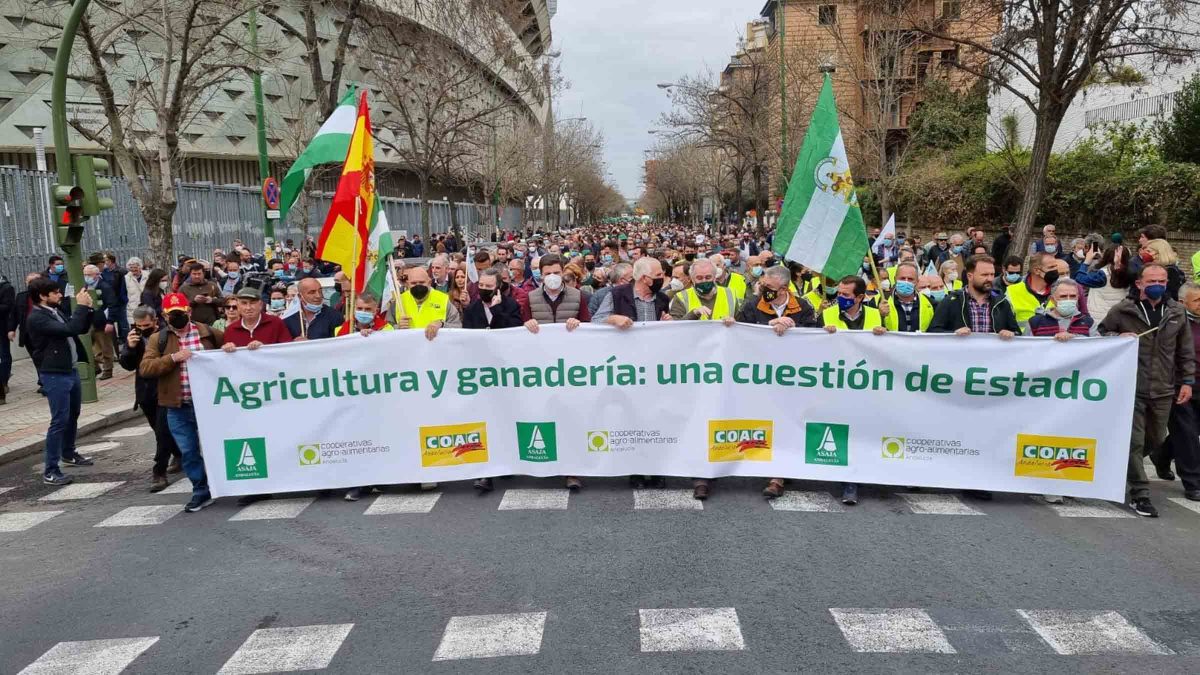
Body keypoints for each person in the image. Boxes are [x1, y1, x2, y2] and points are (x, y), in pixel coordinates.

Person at [1099, 264, 1194, 518]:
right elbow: (1099, 334)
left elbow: (1185, 350)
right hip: (1131, 387)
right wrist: (1114, 337)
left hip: (1164, 388)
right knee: (1135, 441)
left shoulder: (1175, 311)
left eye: (1163, 281)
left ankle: (1123, 466)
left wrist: (1187, 381)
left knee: (1156, 438)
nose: (1158, 285)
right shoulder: (1123, 310)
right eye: (1153, 280)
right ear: (1140, 283)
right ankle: (1140, 494)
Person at [140, 292, 223, 512]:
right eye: (171, 314)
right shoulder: (160, 339)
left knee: (219, 447)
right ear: (165, 316)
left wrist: (231, 348)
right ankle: (200, 490)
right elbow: (146, 368)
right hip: (177, 405)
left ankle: (225, 484)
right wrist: (173, 358)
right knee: (188, 451)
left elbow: (232, 353)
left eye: (181, 312)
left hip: (209, 405)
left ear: (189, 311)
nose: (177, 316)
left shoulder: (209, 334)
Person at [669, 258, 740, 500]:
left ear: (716, 276)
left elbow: (749, 326)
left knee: (719, 418)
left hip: (723, 370)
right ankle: (700, 476)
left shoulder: (731, 296)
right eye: (699, 279)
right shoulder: (681, 299)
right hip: (692, 371)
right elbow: (669, 333)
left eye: (708, 278)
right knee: (696, 420)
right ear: (691, 279)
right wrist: (691, 315)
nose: (704, 282)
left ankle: (717, 466)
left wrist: (735, 325)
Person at [599, 256, 671, 489]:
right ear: (644, 278)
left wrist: (669, 322)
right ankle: (636, 469)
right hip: (626, 369)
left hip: (655, 368)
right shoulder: (617, 295)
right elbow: (595, 320)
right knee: (632, 418)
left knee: (657, 418)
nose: (663, 279)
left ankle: (657, 468)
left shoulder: (662, 299)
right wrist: (613, 318)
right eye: (659, 276)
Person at [820, 276, 888, 506]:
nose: (840, 298)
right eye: (839, 294)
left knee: (862, 431)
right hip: (837, 383)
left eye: (846, 295)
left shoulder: (875, 315)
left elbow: (894, 348)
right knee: (841, 431)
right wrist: (821, 334)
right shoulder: (828, 314)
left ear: (860, 297)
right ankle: (848, 480)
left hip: (866, 384)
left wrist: (884, 334)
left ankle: (859, 476)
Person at [26, 279, 97, 485]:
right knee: (59, 420)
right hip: (54, 373)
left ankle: (68, 452)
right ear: (42, 296)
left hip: (70, 369)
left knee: (72, 414)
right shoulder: (38, 317)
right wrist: (81, 306)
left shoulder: (54, 311)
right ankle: (51, 470)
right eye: (55, 293)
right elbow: (69, 329)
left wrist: (89, 309)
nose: (59, 295)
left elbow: (79, 329)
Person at [119, 306, 182, 491]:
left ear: (155, 321)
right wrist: (130, 348)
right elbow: (128, 365)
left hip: (166, 389)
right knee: (159, 430)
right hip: (146, 392)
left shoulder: (166, 335)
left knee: (163, 432)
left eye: (146, 325)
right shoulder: (134, 337)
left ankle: (159, 472)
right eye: (138, 325)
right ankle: (179, 455)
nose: (142, 328)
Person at [1158, 282, 1200, 502]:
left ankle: (1162, 455)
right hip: (1180, 385)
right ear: (1183, 303)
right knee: (1187, 433)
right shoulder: (1173, 323)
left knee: (1191, 431)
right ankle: (1193, 482)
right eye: (1198, 301)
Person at [396, 266, 461, 342]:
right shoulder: (399, 301)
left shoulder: (443, 299)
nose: (418, 285)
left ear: (429, 282)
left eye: (421, 282)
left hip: (436, 350)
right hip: (407, 349)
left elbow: (458, 327)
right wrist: (397, 327)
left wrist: (442, 324)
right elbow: (385, 328)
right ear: (407, 284)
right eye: (413, 283)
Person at [526, 254, 591, 329]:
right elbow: (523, 326)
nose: (552, 277)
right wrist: (528, 323)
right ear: (541, 275)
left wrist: (578, 323)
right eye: (548, 274)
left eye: (556, 273)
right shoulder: (531, 298)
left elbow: (586, 325)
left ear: (562, 273)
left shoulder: (577, 296)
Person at [1074, 243, 1132, 325]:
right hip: (1121, 317)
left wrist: (1086, 261)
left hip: (1100, 318)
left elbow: (1080, 278)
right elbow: (1117, 272)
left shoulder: (1103, 275)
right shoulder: (1130, 272)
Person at [222, 285, 294, 349]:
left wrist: (264, 349)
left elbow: (288, 350)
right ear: (238, 306)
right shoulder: (230, 330)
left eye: (252, 303)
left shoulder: (276, 323)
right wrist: (226, 350)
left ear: (260, 305)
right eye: (244, 303)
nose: (248, 307)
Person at [83, 264, 118, 380]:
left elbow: (112, 305)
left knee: (105, 347)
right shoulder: (85, 287)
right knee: (87, 346)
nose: (86, 277)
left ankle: (108, 370)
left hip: (102, 322)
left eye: (89, 275)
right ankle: (95, 367)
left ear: (97, 275)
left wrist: (110, 321)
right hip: (89, 321)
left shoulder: (104, 287)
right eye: (85, 274)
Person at [1006, 252, 1057, 331]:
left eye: (1056, 267)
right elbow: (1004, 323)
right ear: (1037, 270)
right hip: (1023, 341)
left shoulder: (1060, 291)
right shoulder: (1012, 291)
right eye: (1051, 267)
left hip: (1052, 341)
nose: (1055, 270)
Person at [883, 262, 934, 333]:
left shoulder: (931, 304)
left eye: (910, 279)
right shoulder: (881, 301)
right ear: (895, 279)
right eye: (902, 278)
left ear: (917, 281)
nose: (906, 282)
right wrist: (881, 316)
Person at [123, 257, 149, 326]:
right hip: (132, 308)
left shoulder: (148, 276)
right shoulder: (126, 278)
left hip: (146, 306)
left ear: (140, 267)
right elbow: (123, 293)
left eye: (135, 267)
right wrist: (127, 302)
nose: (133, 269)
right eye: (131, 267)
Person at [0, 273, 12, 404]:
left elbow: (8, 306)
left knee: (3, 354)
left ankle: (3, 382)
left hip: (2, 327)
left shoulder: (6, 287)